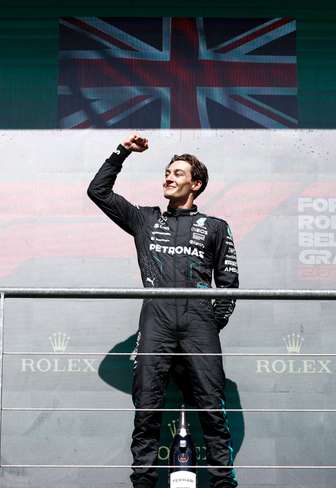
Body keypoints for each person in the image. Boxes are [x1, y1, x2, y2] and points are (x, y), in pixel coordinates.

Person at [88, 133, 239, 488]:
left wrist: (208, 324)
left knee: (212, 411)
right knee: (147, 410)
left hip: (199, 325)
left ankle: (222, 482)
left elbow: (229, 284)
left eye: (178, 173)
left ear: (196, 184)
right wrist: (122, 152)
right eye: (167, 172)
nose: (168, 178)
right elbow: (99, 192)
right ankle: (143, 482)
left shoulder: (215, 227)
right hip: (155, 322)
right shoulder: (145, 220)